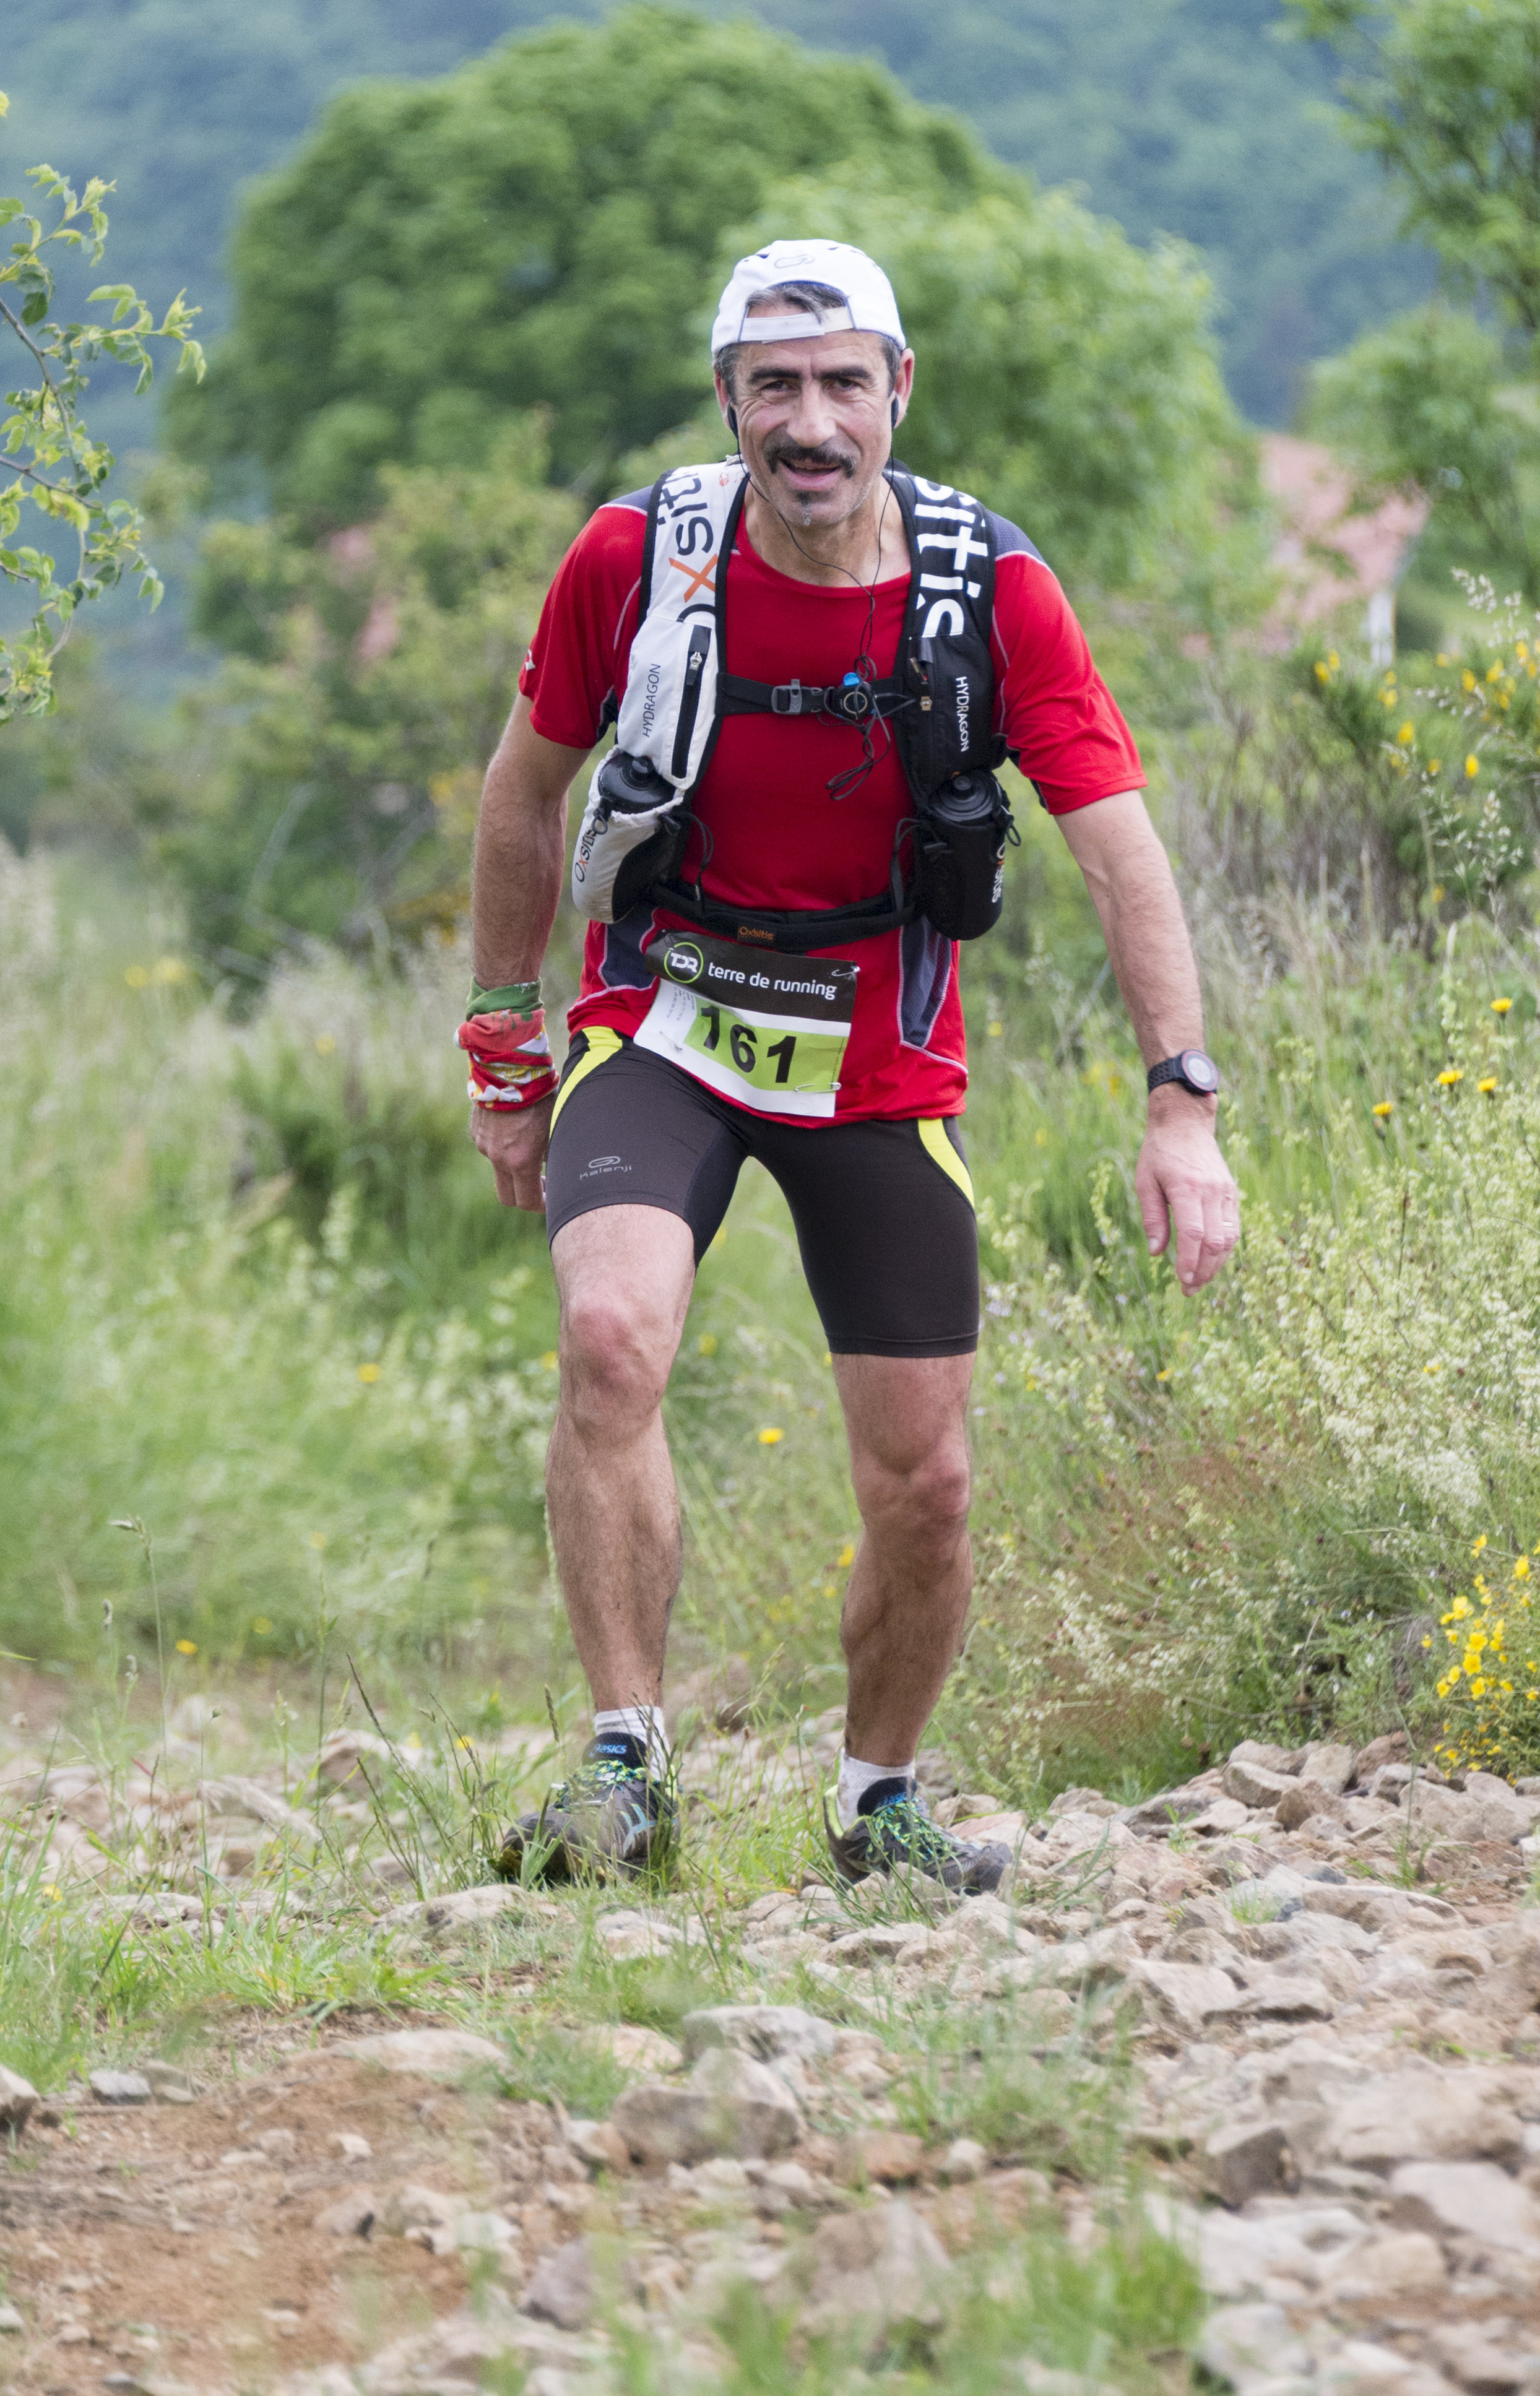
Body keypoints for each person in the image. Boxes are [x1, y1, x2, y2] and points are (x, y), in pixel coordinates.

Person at [459, 237, 1240, 1891]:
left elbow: (1115, 847)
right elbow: (524, 792)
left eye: (838, 384)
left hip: (873, 1055)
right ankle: (621, 1773)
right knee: (608, 1339)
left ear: (898, 391)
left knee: (928, 1483)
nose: (807, 424)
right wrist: (500, 1038)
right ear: (727, 404)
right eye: (772, 388)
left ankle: (873, 1806)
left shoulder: (988, 587)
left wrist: (1180, 1104)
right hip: (655, 1023)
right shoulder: (634, 562)